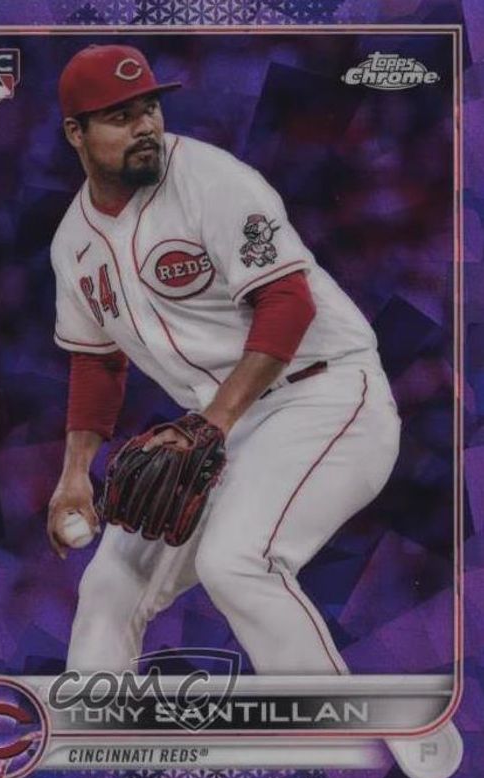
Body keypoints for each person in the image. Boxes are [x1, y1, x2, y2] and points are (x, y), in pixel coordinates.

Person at [47, 44, 401, 675]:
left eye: (150, 108)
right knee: (109, 586)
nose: (145, 126)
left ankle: (329, 718)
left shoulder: (212, 181)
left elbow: (287, 304)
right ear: (76, 132)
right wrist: (74, 474)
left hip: (325, 395)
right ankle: (91, 727)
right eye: (121, 116)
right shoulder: (73, 242)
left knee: (236, 562)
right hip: (222, 424)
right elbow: (96, 363)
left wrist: (213, 422)